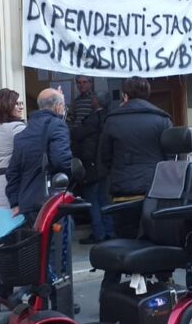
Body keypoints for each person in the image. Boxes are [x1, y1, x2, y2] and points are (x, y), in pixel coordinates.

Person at [99, 76, 172, 238]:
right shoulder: (162, 119)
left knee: (127, 241)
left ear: (125, 96)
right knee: (155, 239)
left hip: (123, 192)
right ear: (147, 94)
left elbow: (105, 157)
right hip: (155, 191)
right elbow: (170, 157)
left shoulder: (113, 120)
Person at [0, 88, 26, 308]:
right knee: (18, 242)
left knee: (5, 240)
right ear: (7, 105)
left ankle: (0, 291)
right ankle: (4, 292)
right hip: (12, 188)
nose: (21, 106)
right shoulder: (17, 128)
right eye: (17, 103)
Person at [5, 88, 72, 222]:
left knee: (37, 242)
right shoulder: (57, 125)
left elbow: (12, 171)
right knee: (58, 241)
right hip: (51, 202)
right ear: (58, 107)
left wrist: (15, 203)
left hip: (27, 204)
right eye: (63, 106)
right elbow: (61, 161)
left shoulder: (24, 132)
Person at [71, 91, 114, 244]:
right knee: (104, 200)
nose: (92, 99)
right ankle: (109, 231)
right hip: (106, 166)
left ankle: (98, 233)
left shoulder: (91, 121)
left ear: (97, 101)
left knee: (92, 201)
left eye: (94, 98)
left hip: (92, 167)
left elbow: (83, 143)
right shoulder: (110, 118)